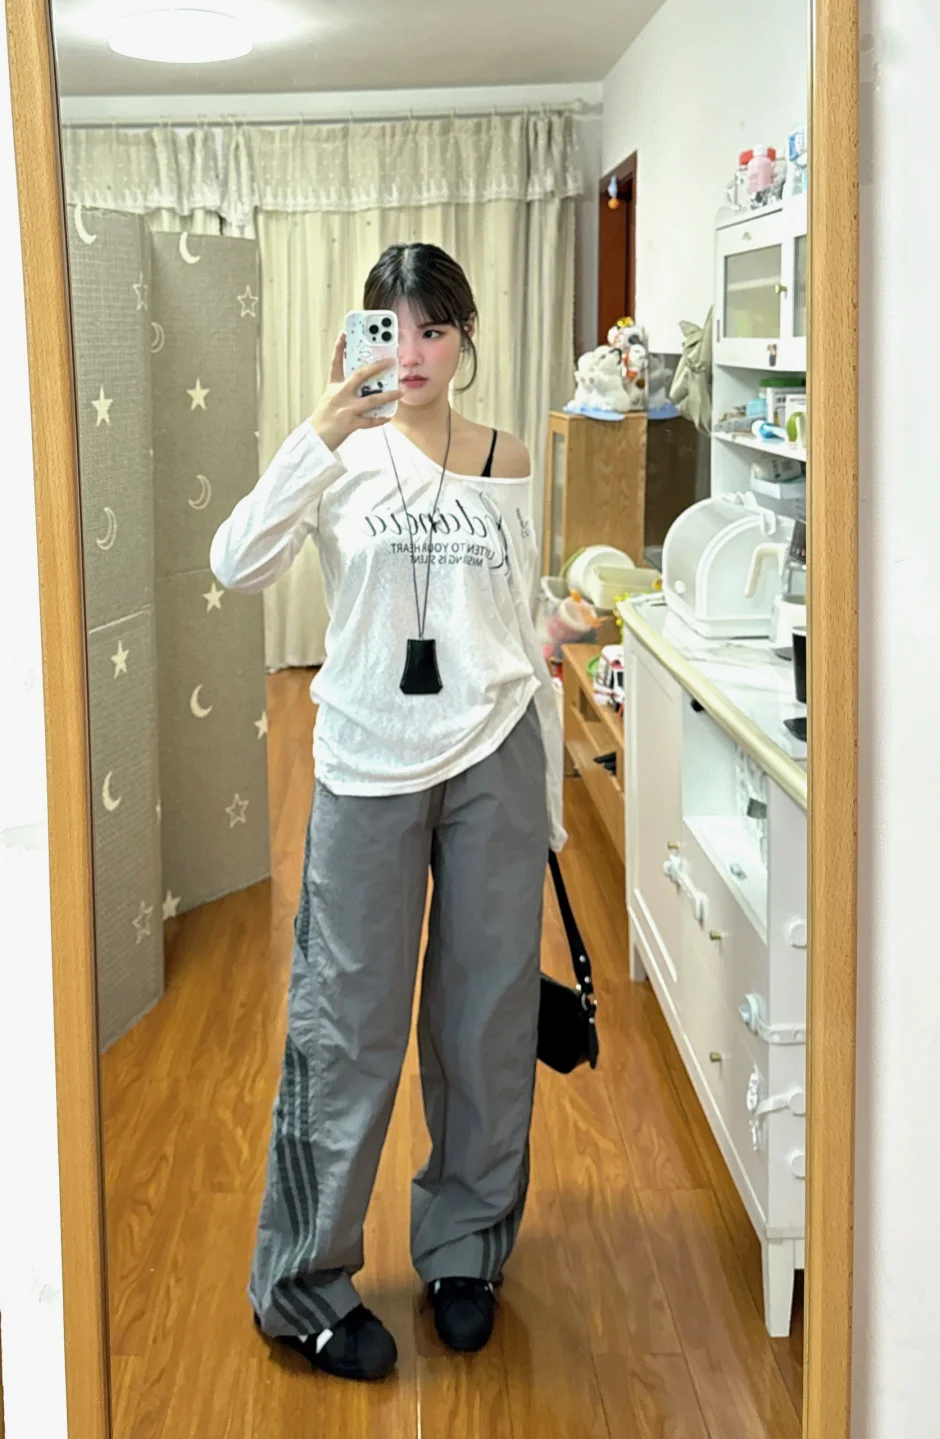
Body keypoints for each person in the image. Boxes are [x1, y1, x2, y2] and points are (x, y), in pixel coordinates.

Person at [210, 242, 565, 1382]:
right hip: (367, 761)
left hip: (493, 752)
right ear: (360, 334)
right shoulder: (339, 456)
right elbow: (237, 561)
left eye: (434, 329)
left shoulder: (507, 458)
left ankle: (465, 1250)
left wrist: (549, 793)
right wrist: (321, 428)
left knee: (488, 1016)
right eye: (390, 327)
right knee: (346, 1022)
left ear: (465, 339)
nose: (410, 353)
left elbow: (517, 620)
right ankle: (303, 1282)